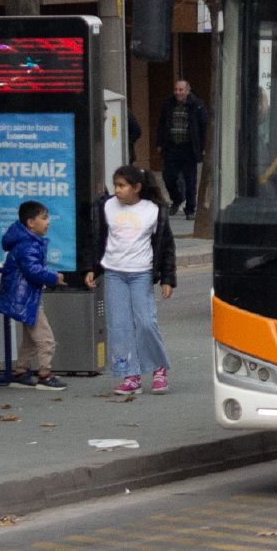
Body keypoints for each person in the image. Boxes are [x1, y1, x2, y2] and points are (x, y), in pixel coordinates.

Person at [85, 165, 176, 396]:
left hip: (141, 274)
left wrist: (167, 279)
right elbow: (97, 240)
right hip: (114, 273)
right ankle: (130, 375)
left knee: (146, 322)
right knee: (119, 326)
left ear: (137, 187)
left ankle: (158, 368)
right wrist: (92, 269)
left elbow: (166, 246)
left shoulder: (153, 210)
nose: (117, 190)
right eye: (115, 185)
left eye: (122, 186)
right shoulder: (106, 206)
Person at [0, 201, 66, 390]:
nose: (48, 222)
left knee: (31, 340)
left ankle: (20, 373)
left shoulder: (27, 242)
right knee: (45, 338)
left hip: (27, 297)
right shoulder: (28, 245)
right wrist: (54, 277)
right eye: (44, 218)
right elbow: (32, 270)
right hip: (27, 299)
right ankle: (45, 375)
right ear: (30, 223)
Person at [156, 80, 209, 220]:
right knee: (168, 176)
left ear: (188, 91)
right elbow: (162, 124)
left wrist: (203, 146)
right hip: (171, 147)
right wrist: (159, 143)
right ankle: (177, 199)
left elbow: (204, 127)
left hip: (189, 148)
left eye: (181, 90)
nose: (177, 93)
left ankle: (190, 209)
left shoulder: (197, 105)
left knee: (190, 180)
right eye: (176, 90)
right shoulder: (168, 103)